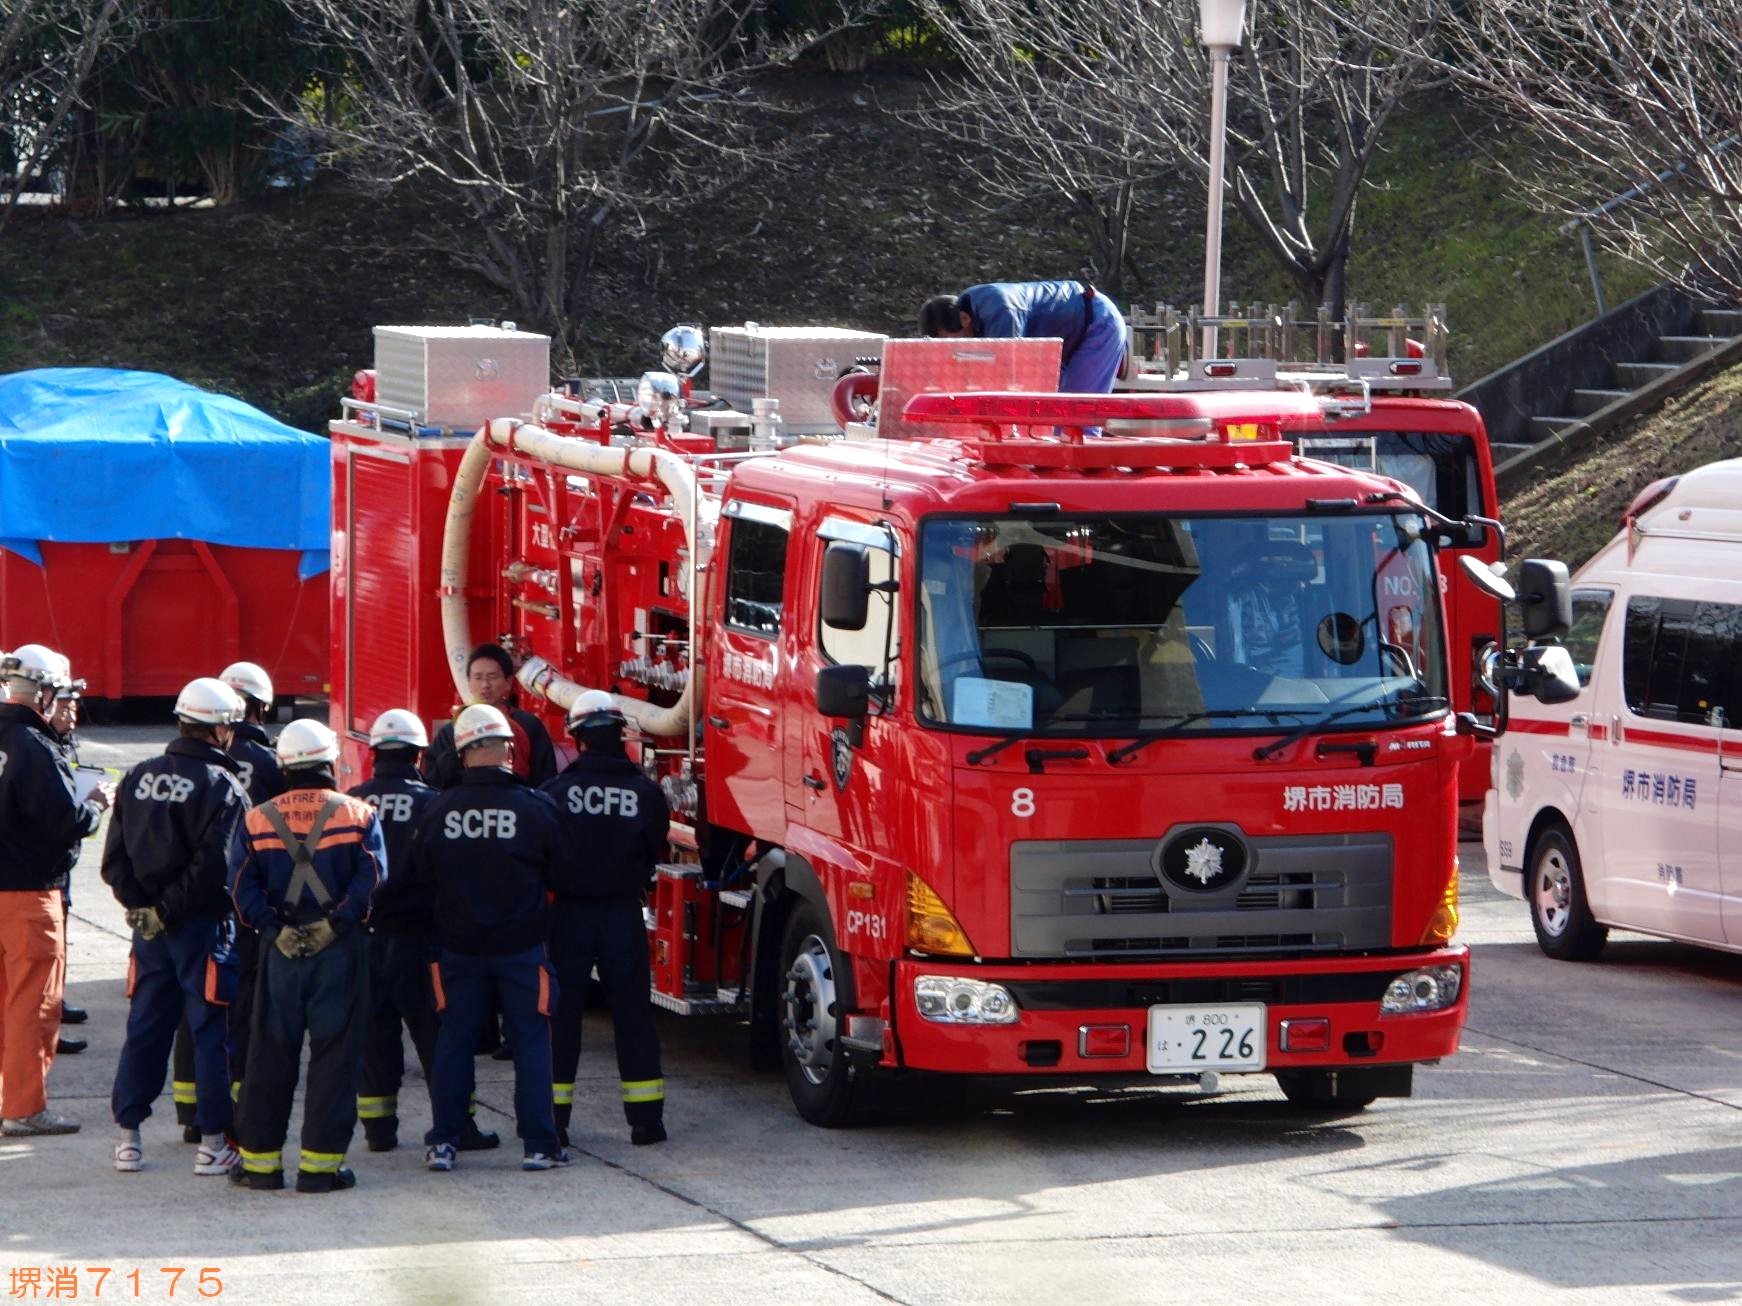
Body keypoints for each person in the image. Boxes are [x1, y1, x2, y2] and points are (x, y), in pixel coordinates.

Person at [227, 719, 385, 1194]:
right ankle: (320, 1169)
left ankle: (260, 1167)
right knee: (335, 1058)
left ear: (284, 765)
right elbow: (372, 878)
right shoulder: (358, 814)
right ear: (331, 761)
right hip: (337, 953)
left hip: (280, 953)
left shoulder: (257, 818)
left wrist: (273, 928)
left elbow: (239, 885)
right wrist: (335, 923)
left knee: (268, 1056)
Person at [413, 704, 570, 1173]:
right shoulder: (536, 807)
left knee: (455, 1041)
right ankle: (540, 1145)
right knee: (531, 1042)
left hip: (458, 948)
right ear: (507, 748)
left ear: (461, 753)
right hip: (522, 948)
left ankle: (444, 1141)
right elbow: (561, 871)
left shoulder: (437, 809)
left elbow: (420, 878)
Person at [102, 677, 249, 1174]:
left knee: (145, 1026)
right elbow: (215, 866)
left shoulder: (138, 774)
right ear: (221, 729)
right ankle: (211, 1143)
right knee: (210, 1031)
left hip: (148, 932)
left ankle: (128, 1138)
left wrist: (143, 907)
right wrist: (170, 908)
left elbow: (115, 858)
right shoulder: (223, 787)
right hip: (202, 929)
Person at [347, 709, 497, 1155]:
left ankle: (379, 1131)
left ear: (374, 753)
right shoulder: (434, 804)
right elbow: (450, 875)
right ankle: (458, 1126)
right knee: (439, 1039)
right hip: (422, 943)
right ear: (418, 754)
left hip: (367, 939)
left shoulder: (351, 802)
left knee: (375, 1038)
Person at [542, 691, 670, 1148]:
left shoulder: (553, 794)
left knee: (562, 1017)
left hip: (570, 915)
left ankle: (554, 1123)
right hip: (621, 913)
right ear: (621, 736)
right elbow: (654, 848)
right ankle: (646, 1123)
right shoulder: (647, 793)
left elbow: (543, 855)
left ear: (577, 740)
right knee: (633, 1015)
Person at [166, 660, 285, 1144]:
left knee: (193, 1006)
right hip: (249, 901)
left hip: (191, 903)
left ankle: (190, 1106)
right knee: (237, 1007)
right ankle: (229, 1102)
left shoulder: (186, 762)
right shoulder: (275, 765)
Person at [0, 645, 106, 1137]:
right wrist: (96, 807)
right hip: (27, 894)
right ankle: (23, 1107)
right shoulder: (33, 746)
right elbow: (63, 820)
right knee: (32, 1005)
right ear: (43, 693)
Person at [919, 280, 1128, 394]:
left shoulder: (1000, 312)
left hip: (1097, 325)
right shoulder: (971, 308)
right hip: (1069, 336)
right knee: (1057, 415)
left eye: (955, 342)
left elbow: (1008, 380)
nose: (958, 350)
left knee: (1075, 418)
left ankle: (1083, 471)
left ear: (964, 319)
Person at [422, 644, 557, 790]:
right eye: (478, 677)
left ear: (509, 682)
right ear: (469, 682)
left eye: (492, 677)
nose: (485, 685)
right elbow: (432, 782)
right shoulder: (451, 731)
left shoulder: (529, 726)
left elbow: (546, 783)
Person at [47, 674, 92, 1055]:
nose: (71, 714)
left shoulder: (60, 745)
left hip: (61, 860)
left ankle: (55, 1005)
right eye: (65, 706)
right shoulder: (39, 748)